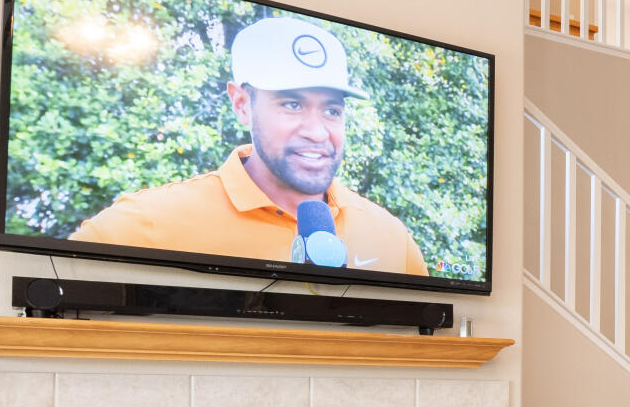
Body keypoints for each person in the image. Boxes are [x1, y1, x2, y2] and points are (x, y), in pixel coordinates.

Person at [69, 15, 427, 274]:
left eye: (332, 110)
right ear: (241, 104)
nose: (317, 132)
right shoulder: (146, 222)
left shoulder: (391, 236)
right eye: (292, 104)